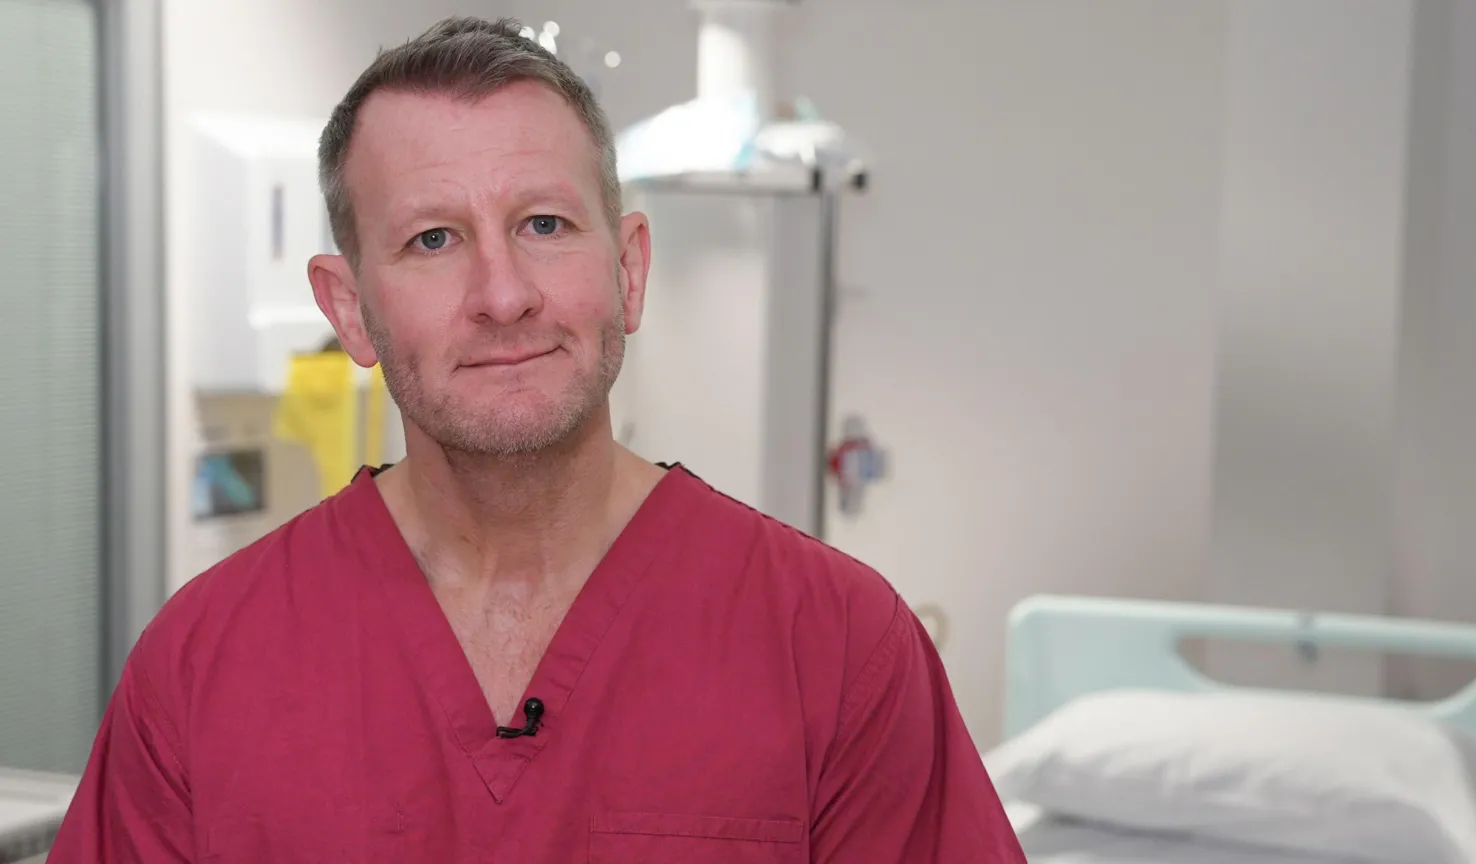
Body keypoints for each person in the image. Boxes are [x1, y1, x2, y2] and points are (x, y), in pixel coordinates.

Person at [48, 16, 1026, 863]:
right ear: (349, 309)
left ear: (631, 270)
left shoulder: (838, 646)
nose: (504, 295)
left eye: (546, 224)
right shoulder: (201, 667)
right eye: (433, 239)